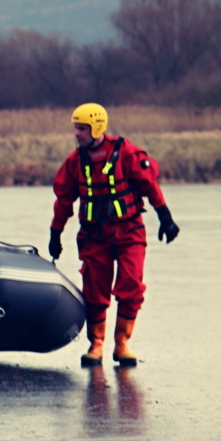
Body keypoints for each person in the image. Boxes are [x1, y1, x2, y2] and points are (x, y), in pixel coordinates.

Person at [48, 103, 179, 367]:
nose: (77, 133)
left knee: (131, 285)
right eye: (76, 128)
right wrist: (55, 233)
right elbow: (63, 200)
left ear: (97, 128)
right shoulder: (75, 162)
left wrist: (165, 217)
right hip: (94, 235)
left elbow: (150, 185)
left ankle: (122, 343)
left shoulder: (126, 153)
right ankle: (96, 344)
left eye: (82, 128)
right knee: (94, 289)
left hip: (129, 231)